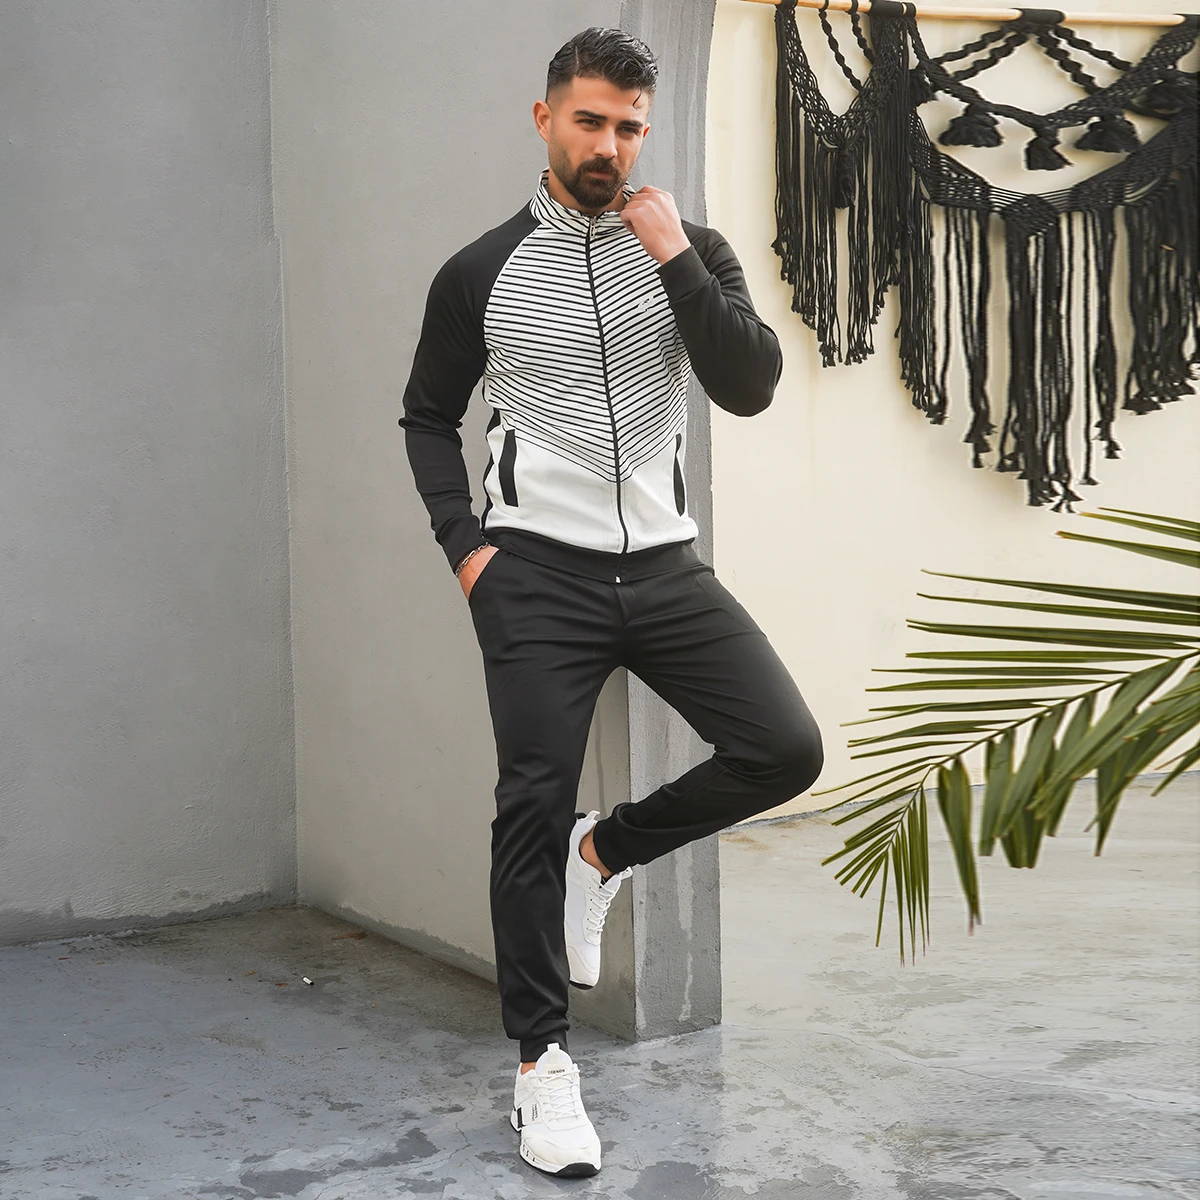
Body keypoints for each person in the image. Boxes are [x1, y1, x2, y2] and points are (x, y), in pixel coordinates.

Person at [398, 26, 823, 1179]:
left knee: (785, 748)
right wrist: (469, 553)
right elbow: (427, 417)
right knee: (527, 809)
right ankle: (541, 1066)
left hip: (667, 570)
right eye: (589, 120)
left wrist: (675, 254)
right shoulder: (480, 271)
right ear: (546, 119)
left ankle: (608, 852)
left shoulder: (692, 249)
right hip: (536, 577)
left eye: (629, 126)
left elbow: (749, 385)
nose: (610, 144)